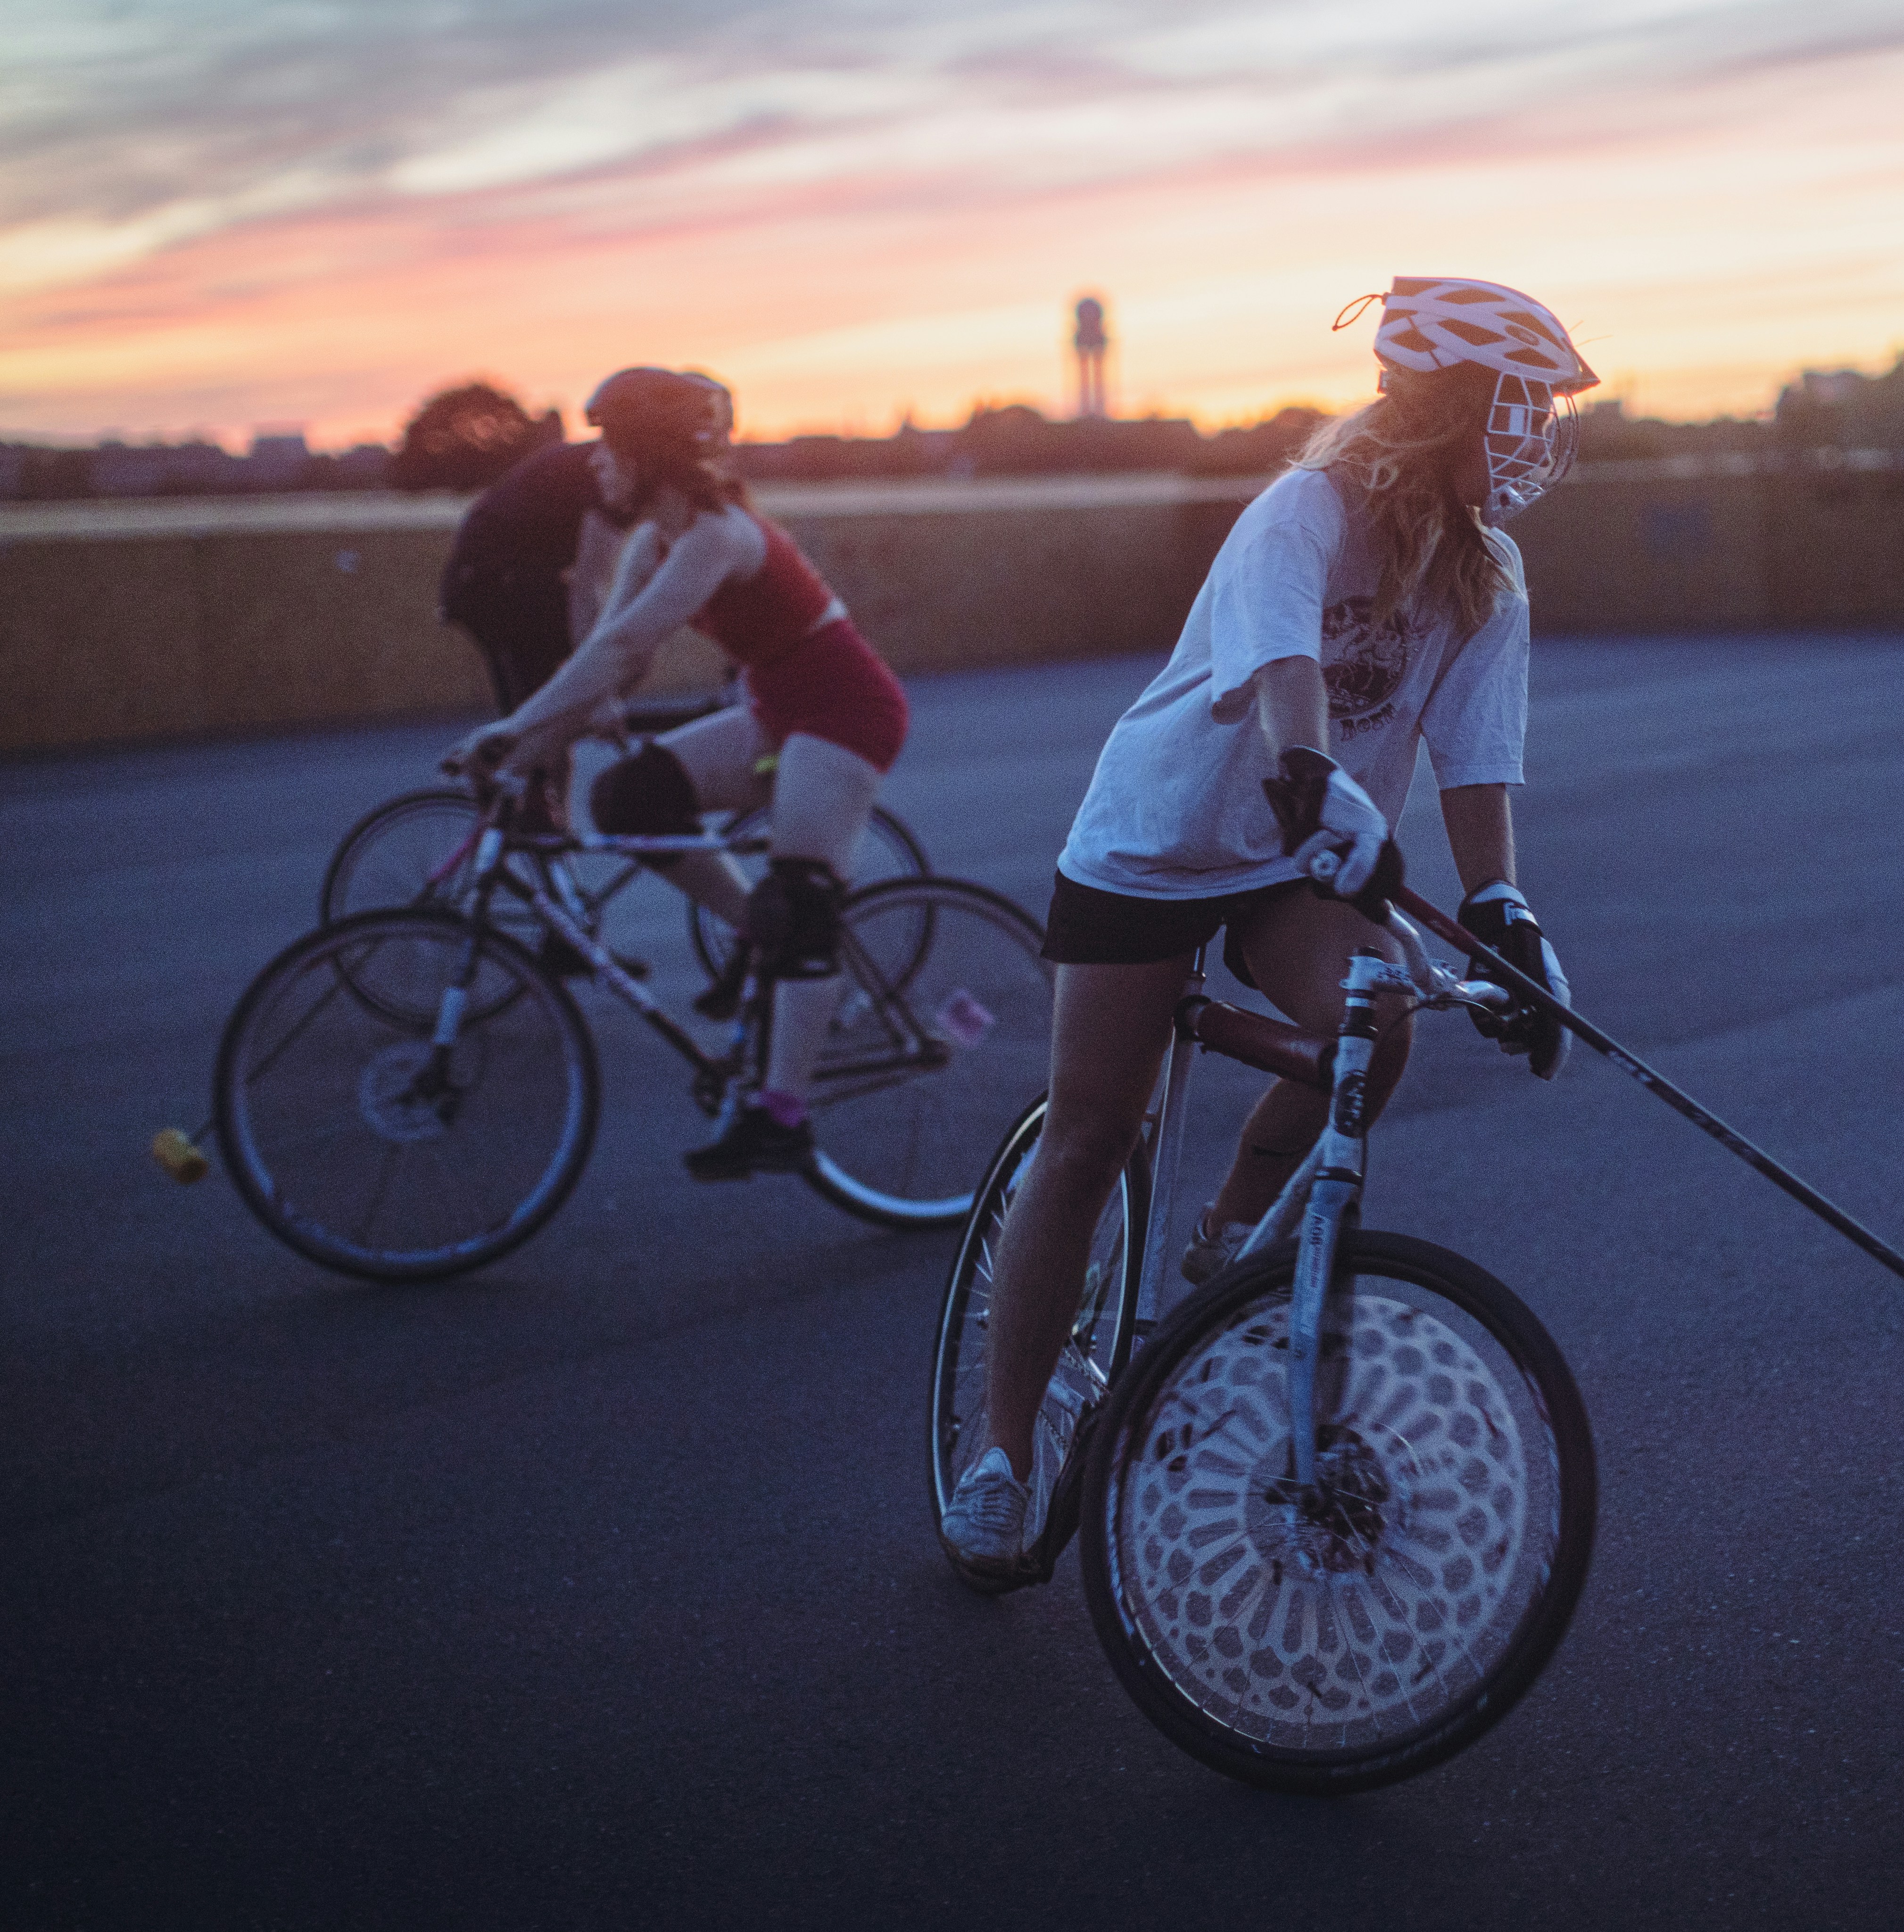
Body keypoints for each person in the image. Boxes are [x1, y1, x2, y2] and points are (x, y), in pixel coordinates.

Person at [942, 277, 1595, 1583]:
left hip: (1302, 853)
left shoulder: (1489, 574)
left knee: (1383, 1015)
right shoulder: (1306, 511)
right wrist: (1311, 776)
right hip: (1164, 835)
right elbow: (1284, 673)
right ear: (1450, 405)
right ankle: (1003, 1452)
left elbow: (1478, 762)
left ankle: (1227, 1234)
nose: (1534, 439)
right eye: (1518, 408)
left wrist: (1502, 915)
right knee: (1088, 1137)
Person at [443, 366, 912, 1181]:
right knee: (631, 795)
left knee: (802, 901)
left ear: (647, 456)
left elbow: (619, 649)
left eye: (607, 449)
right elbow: (611, 656)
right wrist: (523, 749)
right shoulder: (654, 542)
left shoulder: (717, 535)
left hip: (844, 709)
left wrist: (518, 724)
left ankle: (782, 1116)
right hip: (776, 708)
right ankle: (748, 928)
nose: (593, 466)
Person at [436, 385, 723, 715]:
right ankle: (535, 746)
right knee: (544, 703)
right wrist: (598, 691)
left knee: (540, 705)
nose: (596, 462)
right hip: (500, 581)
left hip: (486, 578)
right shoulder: (616, 475)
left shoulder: (621, 472)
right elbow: (590, 585)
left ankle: (531, 743)